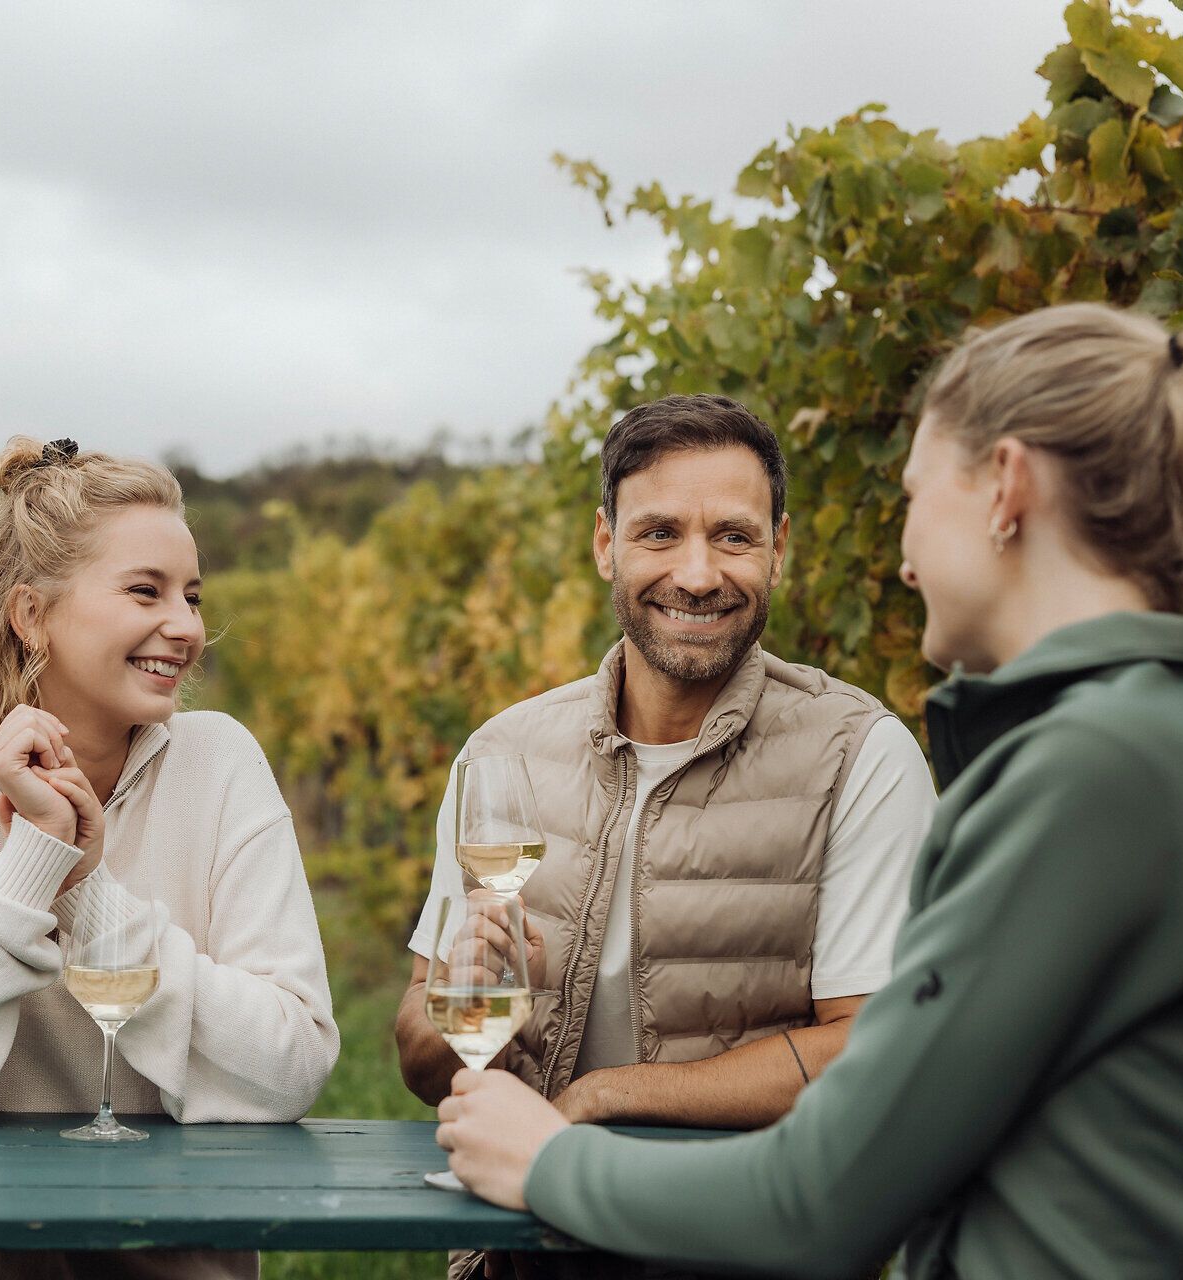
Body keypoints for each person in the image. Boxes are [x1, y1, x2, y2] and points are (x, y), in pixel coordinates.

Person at [436, 304, 1183, 1279]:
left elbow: (823, 1197)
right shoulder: (1145, 748)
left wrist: (548, 1161)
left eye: (914, 495)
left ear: (1005, 487)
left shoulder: (1105, 770)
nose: (905, 556)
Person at [394, 395, 937, 1277]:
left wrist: (608, 1097)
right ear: (605, 542)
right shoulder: (504, 756)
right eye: (659, 534)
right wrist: (466, 1007)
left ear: (779, 548)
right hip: (521, 1256)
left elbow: (879, 1050)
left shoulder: (861, 757)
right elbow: (422, 1057)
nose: (696, 574)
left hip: (740, 1253)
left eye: (733, 535)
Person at [0, 438, 339, 1280]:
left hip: (182, 1243)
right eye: (146, 591)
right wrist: (34, 860)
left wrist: (87, 888)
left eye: (193, 596)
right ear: (32, 614)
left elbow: (293, 1066)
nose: (188, 626)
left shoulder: (220, 761)